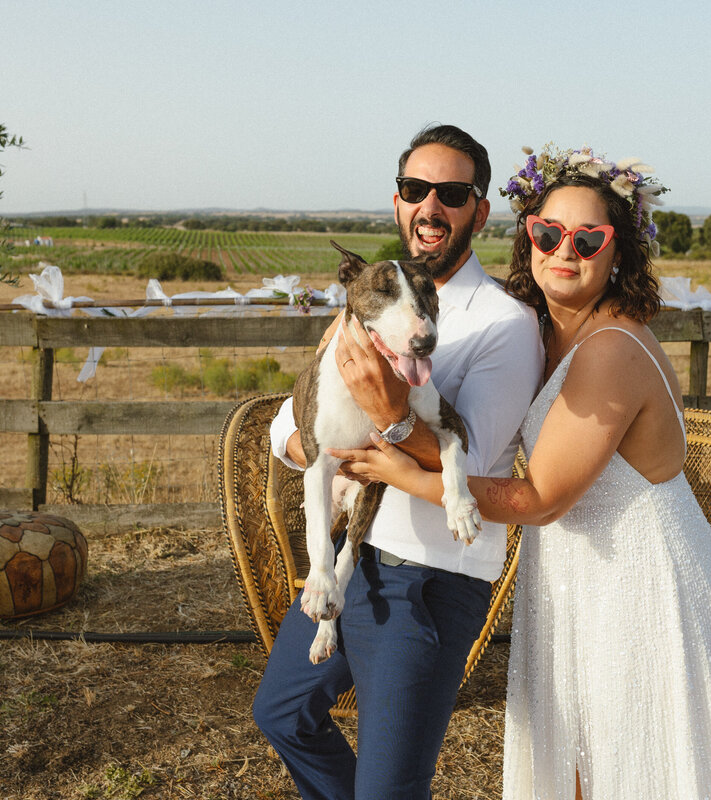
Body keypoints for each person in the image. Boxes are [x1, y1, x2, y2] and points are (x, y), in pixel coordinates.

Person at [331, 146, 711, 799]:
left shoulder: (610, 350)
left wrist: (400, 471)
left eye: (587, 238)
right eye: (547, 233)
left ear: (618, 250)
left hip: (641, 574)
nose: (563, 250)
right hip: (575, 568)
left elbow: (538, 496)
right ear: (528, 240)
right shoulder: (546, 328)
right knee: (578, 758)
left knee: (639, 760)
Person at [251, 124, 544, 799]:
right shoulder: (371, 301)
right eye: (417, 190)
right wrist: (323, 456)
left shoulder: (505, 322)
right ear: (397, 202)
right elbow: (285, 430)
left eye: (451, 193)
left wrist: (389, 415)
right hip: (351, 555)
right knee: (284, 715)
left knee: (390, 787)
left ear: (479, 209)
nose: (430, 207)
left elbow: (464, 464)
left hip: (428, 579)